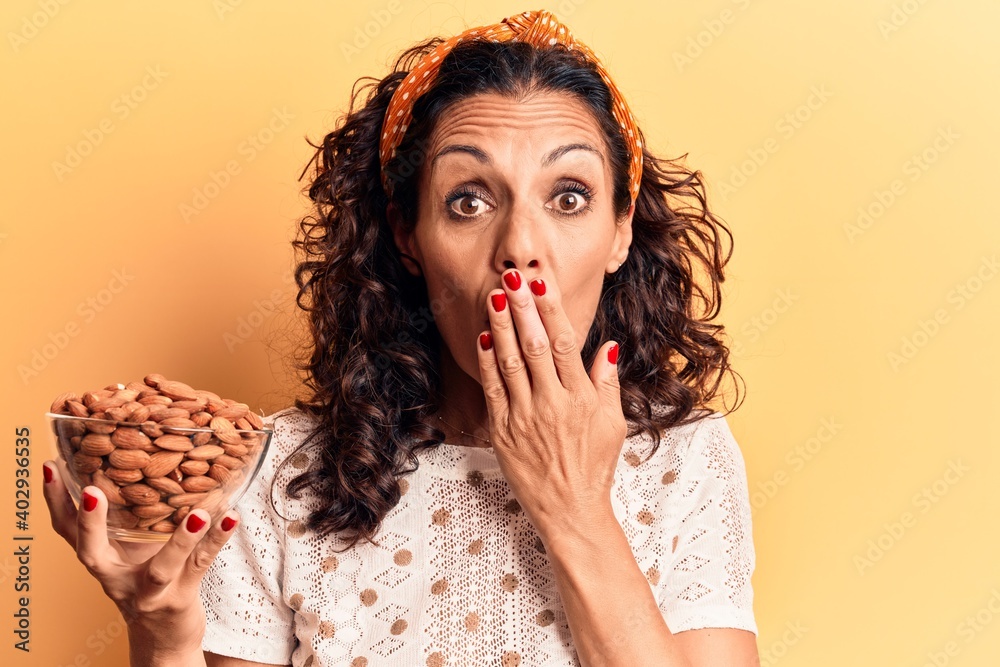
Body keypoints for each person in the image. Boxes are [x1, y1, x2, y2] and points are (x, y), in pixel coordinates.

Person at [43, 9, 760, 666]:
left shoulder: (684, 460)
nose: (520, 248)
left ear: (621, 231)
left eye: (568, 197)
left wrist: (574, 504)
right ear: (407, 235)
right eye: (468, 200)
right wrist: (162, 633)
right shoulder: (278, 472)